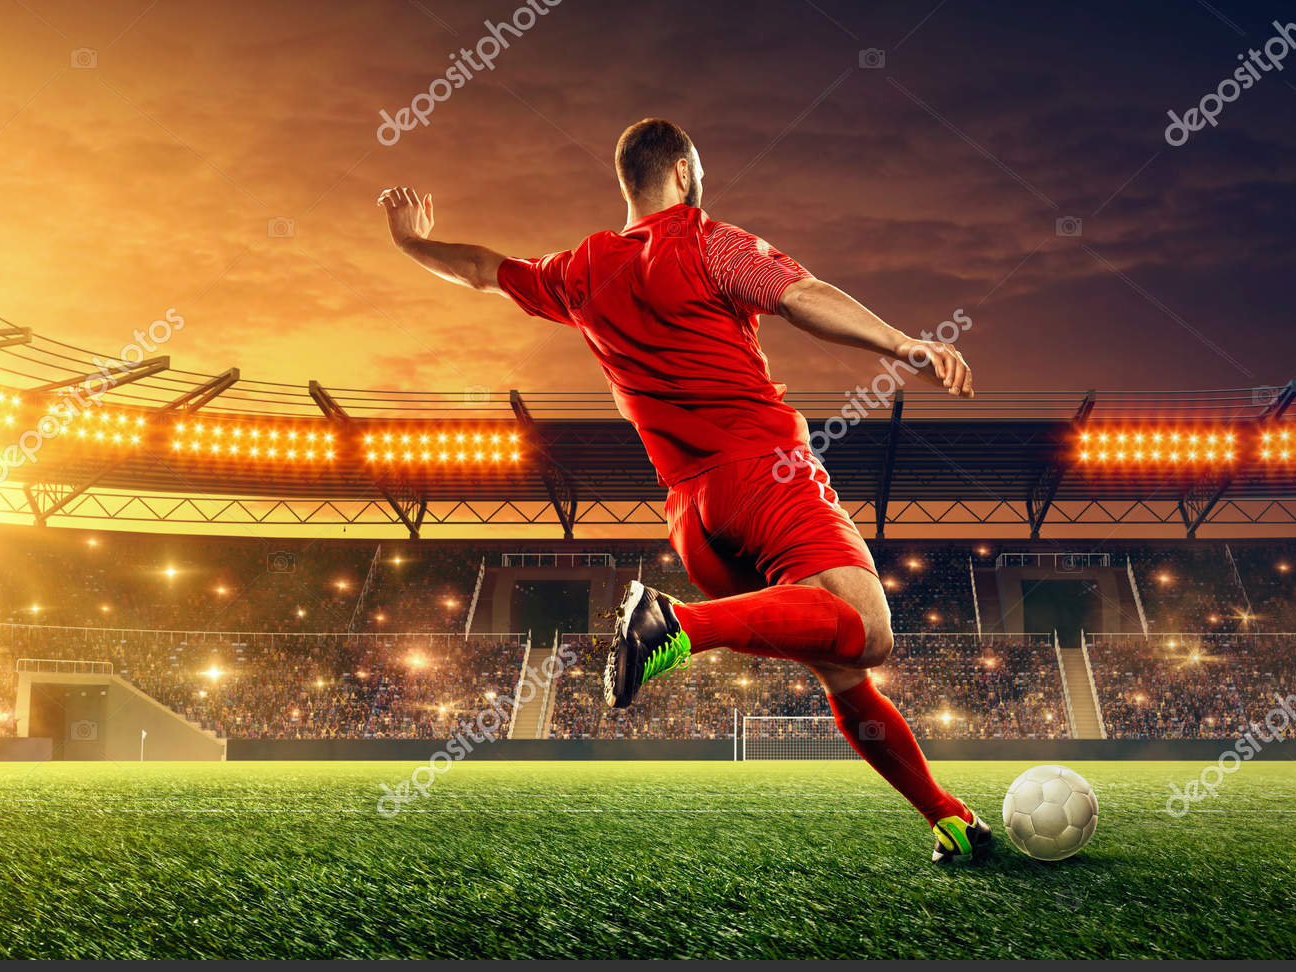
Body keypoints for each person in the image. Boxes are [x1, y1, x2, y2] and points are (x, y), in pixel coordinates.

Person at [379, 117, 988, 863]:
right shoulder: (708, 241)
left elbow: (481, 267)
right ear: (684, 172)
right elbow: (803, 295)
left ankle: (945, 815)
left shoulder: (579, 271)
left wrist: (411, 244)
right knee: (870, 629)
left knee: (842, 669)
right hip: (766, 475)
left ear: (625, 180)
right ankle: (676, 627)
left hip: (692, 518)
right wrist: (903, 344)